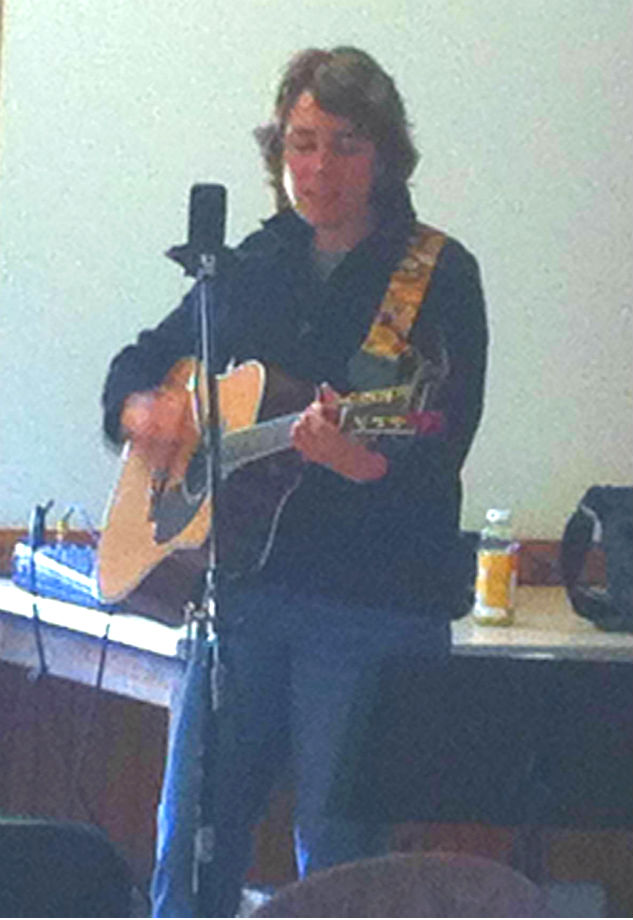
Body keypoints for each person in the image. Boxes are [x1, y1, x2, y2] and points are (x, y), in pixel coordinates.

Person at [102, 46, 487, 917]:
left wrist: (359, 458)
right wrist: (144, 412)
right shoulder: (251, 262)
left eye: (345, 145)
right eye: (302, 143)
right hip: (237, 599)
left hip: (369, 605)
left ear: (385, 156)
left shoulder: (435, 275)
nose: (319, 168)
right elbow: (138, 361)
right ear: (278, 153)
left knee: (339, 866)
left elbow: (438, 434)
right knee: (189, 844)